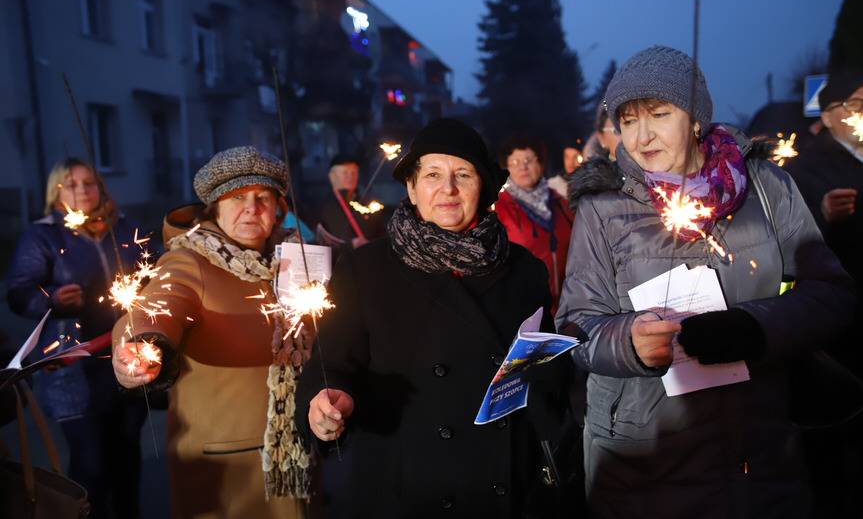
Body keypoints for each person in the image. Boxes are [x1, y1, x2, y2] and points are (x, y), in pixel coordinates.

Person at [556, 46, 855, 519]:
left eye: (659, 114)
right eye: (628, 121)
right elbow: (576, 327)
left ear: (695, 118)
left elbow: (831, 294)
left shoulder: (766, 187)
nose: (642, 135)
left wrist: (755, 328)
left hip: (759, 451)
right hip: (646, 461)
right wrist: (631, 343)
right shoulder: (604, 207)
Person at [296, 118, 572, 518]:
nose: (448, 188)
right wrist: (326, 401)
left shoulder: (524, 270)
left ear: (485, 188)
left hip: (503, 483)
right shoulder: (364, 269)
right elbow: (332, 363)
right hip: (404, 484)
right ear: (411, 187)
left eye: (463, 174)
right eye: (432, 175)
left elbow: (547, 376)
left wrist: (550, 373)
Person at [111, 146, 312, 519]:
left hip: (298, 456)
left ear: (278, 209)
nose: (251, 208)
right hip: (228, 468)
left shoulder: (298, 258)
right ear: (214, 209)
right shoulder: (188, 261)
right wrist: (143, 343)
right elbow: (158, 305)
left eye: (263, 198)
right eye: (237, 198)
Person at [6, 157, 147, 519]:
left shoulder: (123, 227)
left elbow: (154, 270)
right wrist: (51, 300)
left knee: (127, 462)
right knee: (91, 467)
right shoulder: (43, 235)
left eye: (89, 182)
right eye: (71, 184)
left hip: (128, 358)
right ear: (56, 192)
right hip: (73, 370)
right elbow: (19, 293)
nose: (82, 190)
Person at [784, 70, 863, 516]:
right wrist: (823, 214)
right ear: (830, 115)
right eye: (856, 105)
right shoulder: (806, 167)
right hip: (843, 319)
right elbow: (791, 244)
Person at [495, 138, 573, 309]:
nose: (523, 167)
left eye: (528, 160)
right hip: (526, 308)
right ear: (506, 168)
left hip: (569, 305)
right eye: (515, 162)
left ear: (541, 163)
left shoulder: (561, 202)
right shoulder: (499, 209)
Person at [315, 153, 385, 256]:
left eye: (354, 172)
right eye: (345, 172)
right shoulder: (321, 206)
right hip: (338, 262)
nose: (350, 177)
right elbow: (315, 244)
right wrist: (350, 246)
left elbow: (381, 234)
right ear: (332, 176)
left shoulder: (368, 203)